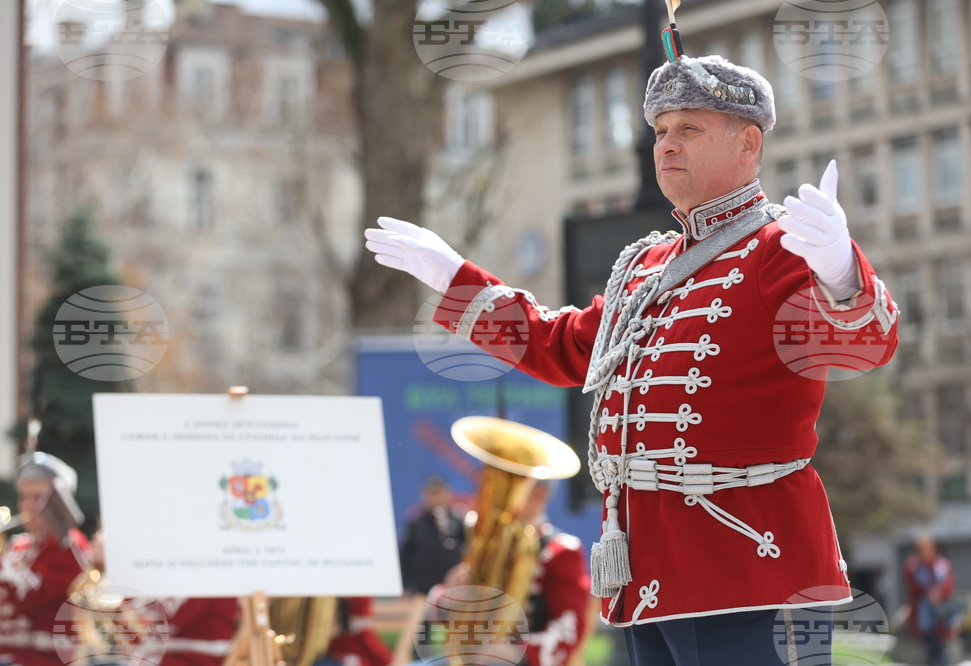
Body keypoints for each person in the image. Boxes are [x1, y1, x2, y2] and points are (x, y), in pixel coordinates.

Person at [365, 53, 899, 664]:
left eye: (689, 129)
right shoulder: (647, 267)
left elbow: (865, 344)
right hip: (647, 573)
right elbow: (563, 346)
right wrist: (456, 279)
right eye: (660, 131)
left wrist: (840, 273)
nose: (666, 145)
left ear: (749, 143)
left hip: (750, 568)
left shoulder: (782, 247)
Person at [426, 482, 590, 666]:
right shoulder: (488, 545)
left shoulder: (561, 551)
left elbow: (568, 627)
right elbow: (436, 613)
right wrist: (450, 598)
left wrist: (516, 654)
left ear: (539, 495)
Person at [0, 452, 91, 666]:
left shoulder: (69, 545)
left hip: (41, 659)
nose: (27, 505)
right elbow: (1, 601)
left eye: (37, 497)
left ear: (60, 499)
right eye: (23, 497)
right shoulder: (20, 544)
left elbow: (27, 597)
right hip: (2, 654)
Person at [399, 476, 466, 596]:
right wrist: (406, 586)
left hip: (454, 592)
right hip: (423, 592)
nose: (436, 499)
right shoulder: (416, 526)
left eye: (439, 493)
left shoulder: (458, 523)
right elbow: (405, 559)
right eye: (432, 494)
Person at [905, 533, 958, 665]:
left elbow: (949, 585)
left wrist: (938, 593)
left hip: (941, 612)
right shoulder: (913, 567)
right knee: (931, 647)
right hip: (923, 613)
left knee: (941, 647)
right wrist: (926, 592)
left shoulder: (943, 565)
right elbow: (912, 587)